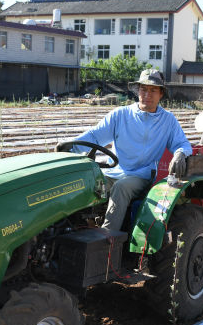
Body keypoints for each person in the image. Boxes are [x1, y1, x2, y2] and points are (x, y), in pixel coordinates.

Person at [69, 70, 192, 231]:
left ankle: (108, 239)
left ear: (161, 93)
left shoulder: (168, 120)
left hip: (142, 175)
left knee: (122, 187)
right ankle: (74, 230)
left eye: (153, 90)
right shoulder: (120, 115)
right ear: (138, 91)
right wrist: (71, 145)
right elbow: (94, 136)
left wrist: (180, 153)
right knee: (83, 183)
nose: (147, 94)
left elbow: (182, 143)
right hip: (113, 171)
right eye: (144, 89)